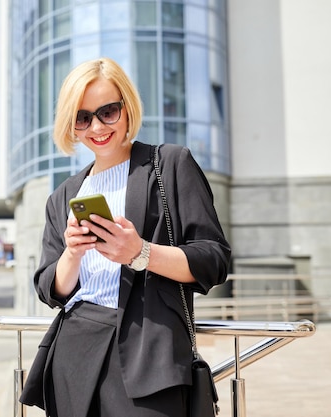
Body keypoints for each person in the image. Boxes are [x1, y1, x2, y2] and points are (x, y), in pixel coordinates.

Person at [19, 57, 231, 417]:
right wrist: (72, 253)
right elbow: (49, 288)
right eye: (82, 117)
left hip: (150, 355)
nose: (96, 127)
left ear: (127, 108)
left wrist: (141, 253)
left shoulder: (169, 165)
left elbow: (213, 259)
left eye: (108, 111)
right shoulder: (64, 195)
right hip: (73, 357)